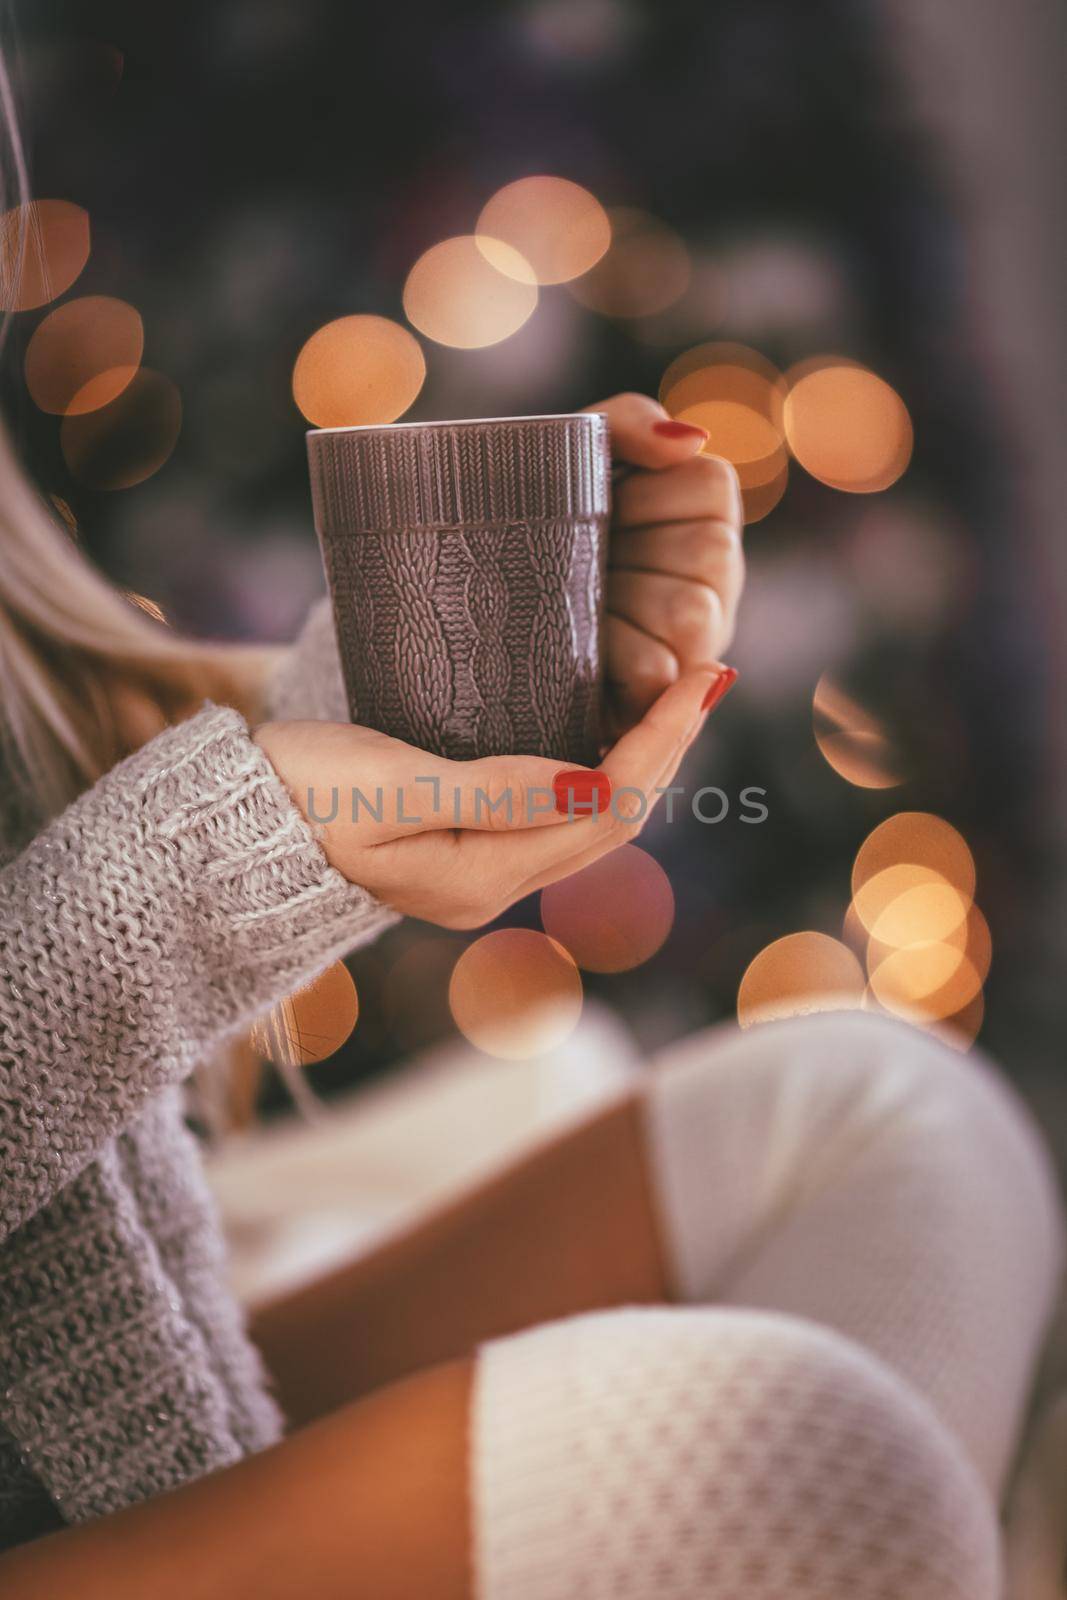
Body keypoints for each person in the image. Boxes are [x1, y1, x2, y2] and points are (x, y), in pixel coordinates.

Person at [0, 70, 1062, 1600]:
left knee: (895, 1112)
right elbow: (133, 893)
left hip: (86, 1407)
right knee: (798, 1464)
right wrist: (214, 868)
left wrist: (458, 667)